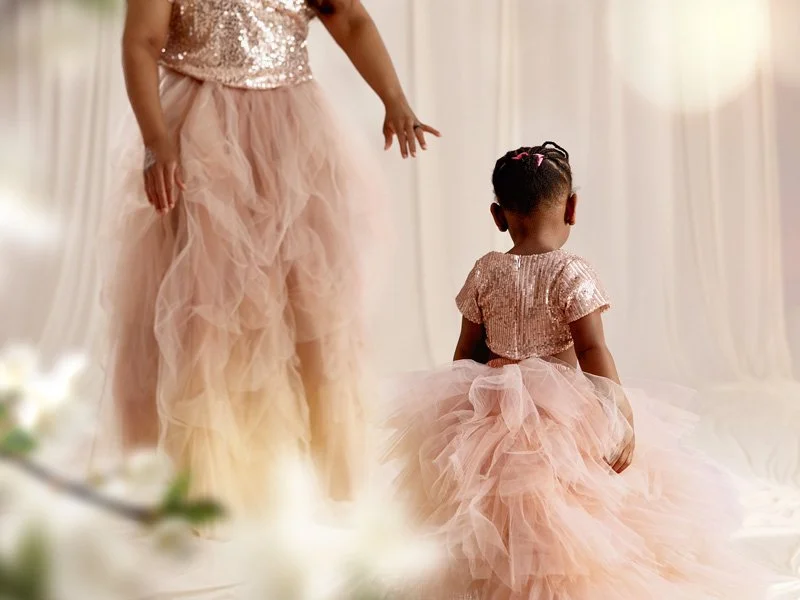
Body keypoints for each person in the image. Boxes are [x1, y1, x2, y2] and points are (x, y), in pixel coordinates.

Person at [100, 0, 439, 518]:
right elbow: (141, 41)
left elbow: (349, 18)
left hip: (292, 134)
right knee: (205, 303)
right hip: (199, 131)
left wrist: (394, 99)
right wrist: (155, 139)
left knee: (308, 303)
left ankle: (315, 472)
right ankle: (202, 479)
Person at [385, 142, 766, 598]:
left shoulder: (485, 270)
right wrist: (617, 409)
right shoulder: (571, 270)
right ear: (572, 208)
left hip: (492, 412)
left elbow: (467, 353)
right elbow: (591, 348)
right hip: (563, 414)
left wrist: (464, 409)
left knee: (494, 501)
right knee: (570, 503)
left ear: (498, 215)